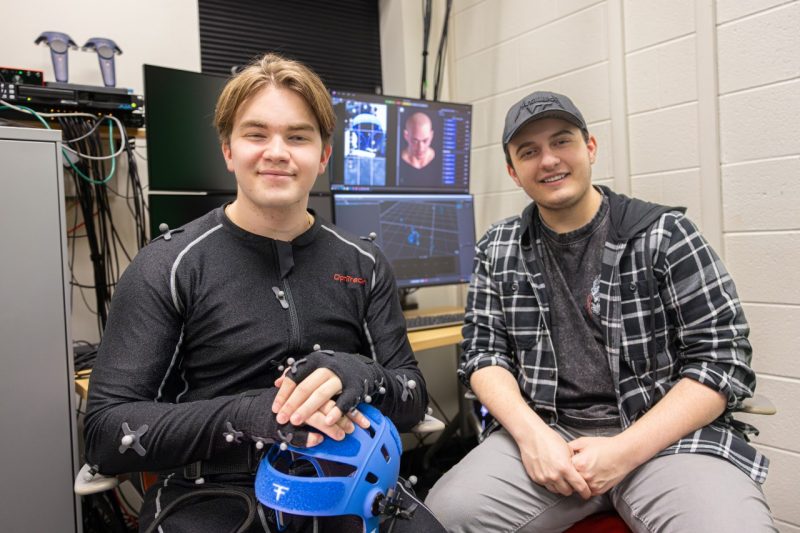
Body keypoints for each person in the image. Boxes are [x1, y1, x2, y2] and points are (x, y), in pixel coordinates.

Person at [84, 53, 428, 533]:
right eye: (256, 133)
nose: (277, 151)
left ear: (324, 154)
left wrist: (361, 374)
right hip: (213, 497)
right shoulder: (168, 266)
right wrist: (249, 415)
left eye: (298, 136)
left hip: (349, 489)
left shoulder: (363, 263)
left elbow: (412, 396)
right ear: (228, 150)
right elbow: (105, 432)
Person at [425, 91, 775, 532]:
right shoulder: (498, 248)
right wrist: (533, 437)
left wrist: (623, 451)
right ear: (514, 172)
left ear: (590, 148)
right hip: (550, 435)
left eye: (562, 141)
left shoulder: (665, 234)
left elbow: (722, 363)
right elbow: (483, 355)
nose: (548, 160)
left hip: (662, 440)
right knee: (438, 518)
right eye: (529, 152)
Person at [399, 111, 439, 188]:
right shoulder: (398, 161)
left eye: (425, 140)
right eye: (415, 140)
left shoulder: (440, 160)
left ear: (431, 136)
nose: (420, 147)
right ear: (406, 136)